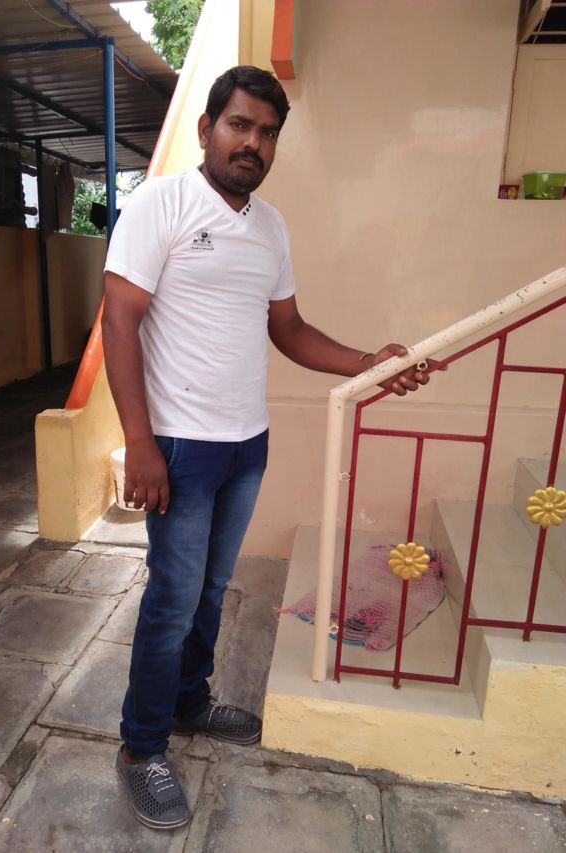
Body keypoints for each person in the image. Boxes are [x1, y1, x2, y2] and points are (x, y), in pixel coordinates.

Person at [102, 65, 437, 831]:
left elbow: (288, 329)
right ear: (207, 129)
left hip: (245, 444)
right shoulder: (161, 205)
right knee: (171, 597)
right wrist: (139, 442)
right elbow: (119, 321)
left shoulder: (270, 227)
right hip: (179, 447)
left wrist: (371, 363)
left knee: (212, 589)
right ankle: (141, 747)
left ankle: (188, 702)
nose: (252, 142)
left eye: (267, 132)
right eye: (239, 125)